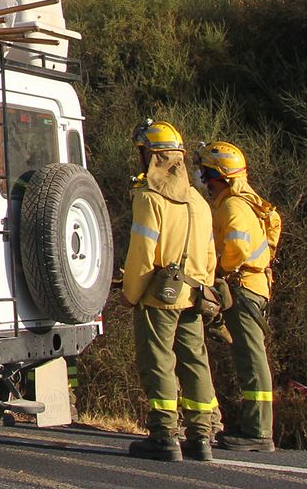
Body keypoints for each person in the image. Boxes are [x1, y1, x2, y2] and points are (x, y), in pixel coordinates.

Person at [122, 119, 219, 462]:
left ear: (151, 156)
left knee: (159, 362)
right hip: (195, 295)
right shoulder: (199, 201)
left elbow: (142, 254)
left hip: (159, 297)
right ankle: (201, 438)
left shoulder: (150, 198)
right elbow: (210, 256)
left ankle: (164, 436)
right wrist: (202, 288)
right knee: (195, 362)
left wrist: (131, 294)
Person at [197, 140, 280, 452]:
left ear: (220, 176)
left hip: (244, 289)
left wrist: (220, 270)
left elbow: (237, 248)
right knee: (248, 356)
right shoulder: (242, 202)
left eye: (207, 173)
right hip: (250, 287)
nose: (204, 180)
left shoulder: (233, 205)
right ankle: (255, 428)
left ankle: (258, 432)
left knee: (251, 358)